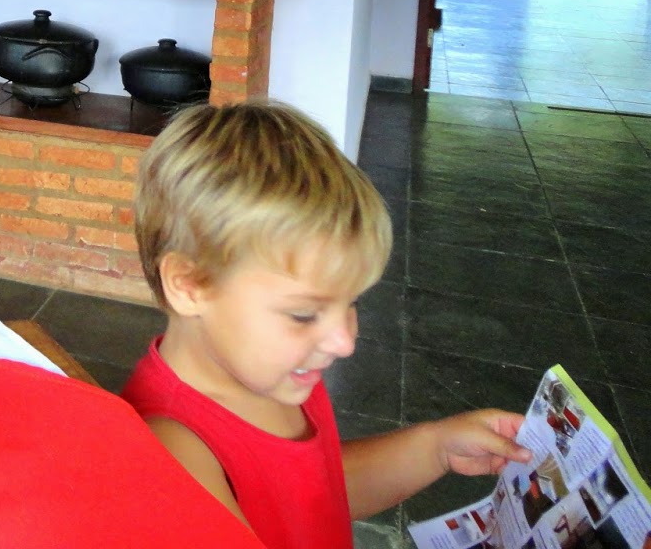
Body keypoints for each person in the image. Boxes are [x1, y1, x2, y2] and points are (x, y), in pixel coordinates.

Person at [122, 101, 530, 549]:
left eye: (351, 302)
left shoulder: (275, 372)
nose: (344, 341)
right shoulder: (173, 457)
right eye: (304, 314)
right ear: (189, 285)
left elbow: (315, 492)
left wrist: (437, 448)